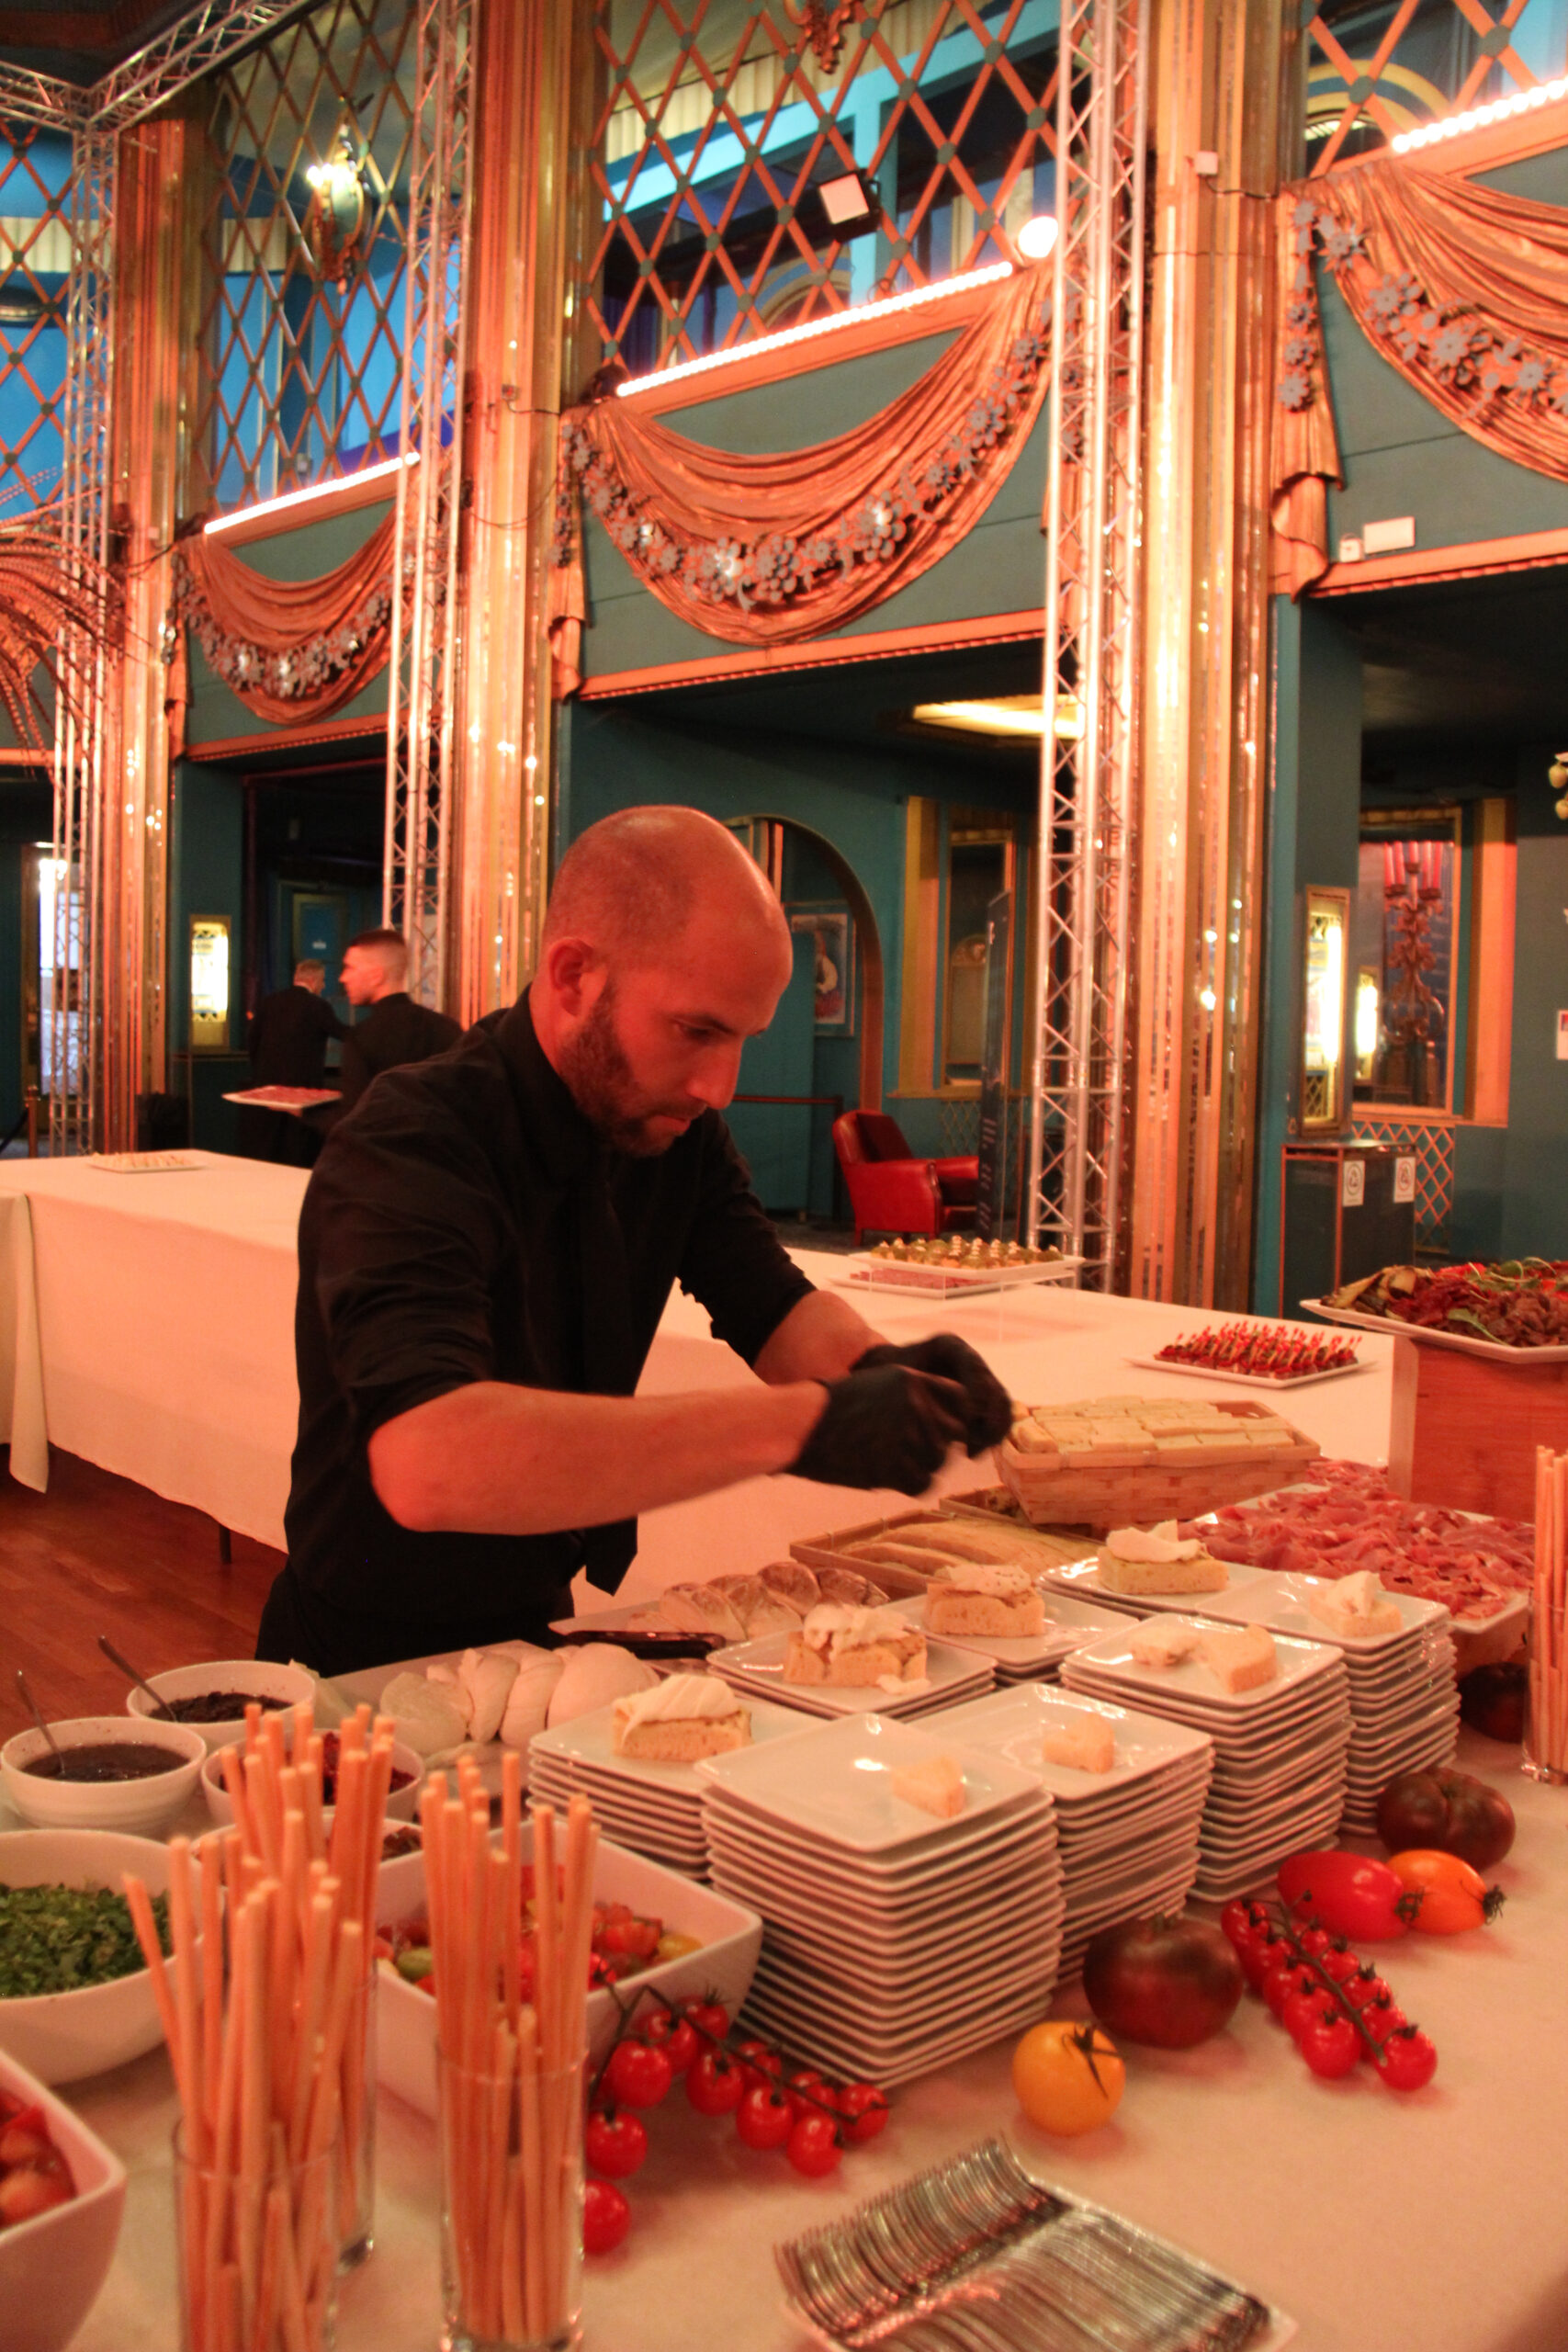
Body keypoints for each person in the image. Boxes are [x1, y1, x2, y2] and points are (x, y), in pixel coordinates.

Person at [259, 808, 1011, 1674]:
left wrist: (882, 1370)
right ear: (573, 975)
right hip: (356, 1658)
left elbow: (769, 1303)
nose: (719, 1086)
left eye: (742, 1039)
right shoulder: (413, 1139)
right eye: (696, 1030)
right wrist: (804, 1424)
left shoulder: (671, 1131)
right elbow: (428, 1460)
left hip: (533, 1627)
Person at [333, 927, 464, 1115]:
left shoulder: (361, 1038)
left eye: (349, 968)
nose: (343, 978)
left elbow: (356, 1118)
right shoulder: (448, 1028)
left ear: (376, 976)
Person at [234, 958, 344, 1167]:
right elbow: (342, 1033)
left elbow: (252, 1038)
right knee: (296, 1151)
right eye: (322, 981)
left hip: (268, 1087)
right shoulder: (317, 1006)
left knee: (268, 1147)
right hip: (302, 1090)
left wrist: (260, 1071)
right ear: (313, 981)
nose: (323, 986)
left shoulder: (269, 1002)